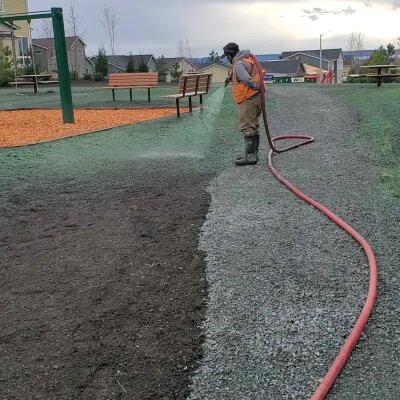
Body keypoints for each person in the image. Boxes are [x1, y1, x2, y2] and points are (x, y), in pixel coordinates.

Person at [222, 42, 261, 166]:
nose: (227, 59)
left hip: (248, 98)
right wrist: (229, 79)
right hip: (255, 98)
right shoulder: (246, 59)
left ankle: (250, 158)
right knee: (253, 126)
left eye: (227, 56)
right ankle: (252, 155)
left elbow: (245, 78)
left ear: (230, 55)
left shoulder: (238, 63)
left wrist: (255, 87)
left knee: (247, 127)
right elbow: (243, 75)